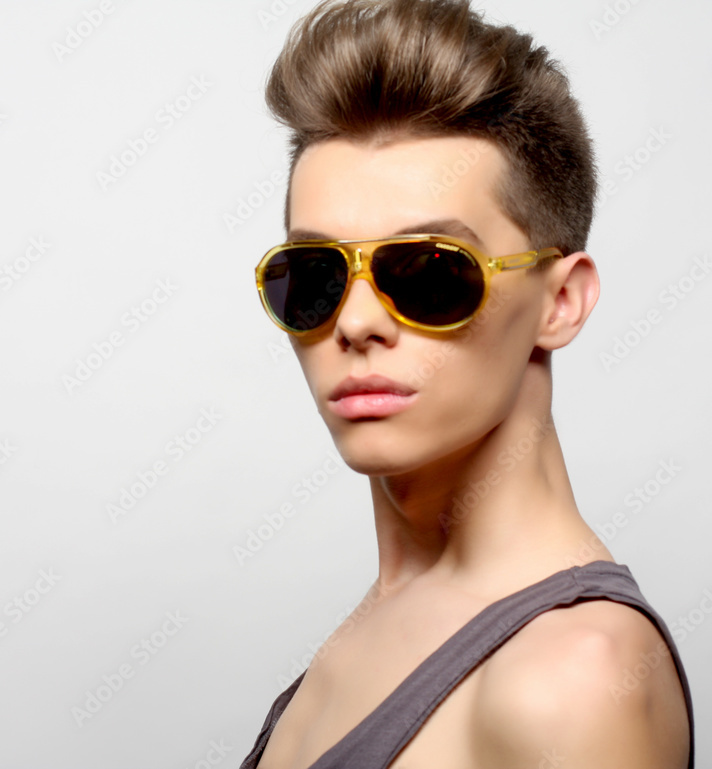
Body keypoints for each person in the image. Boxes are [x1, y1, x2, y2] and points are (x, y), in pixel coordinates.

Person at [240, 1, 694, 767]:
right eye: (313, 277)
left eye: (429, 271)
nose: (354, 324)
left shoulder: (572, 679)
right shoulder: (380, 621)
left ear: (560, 301)